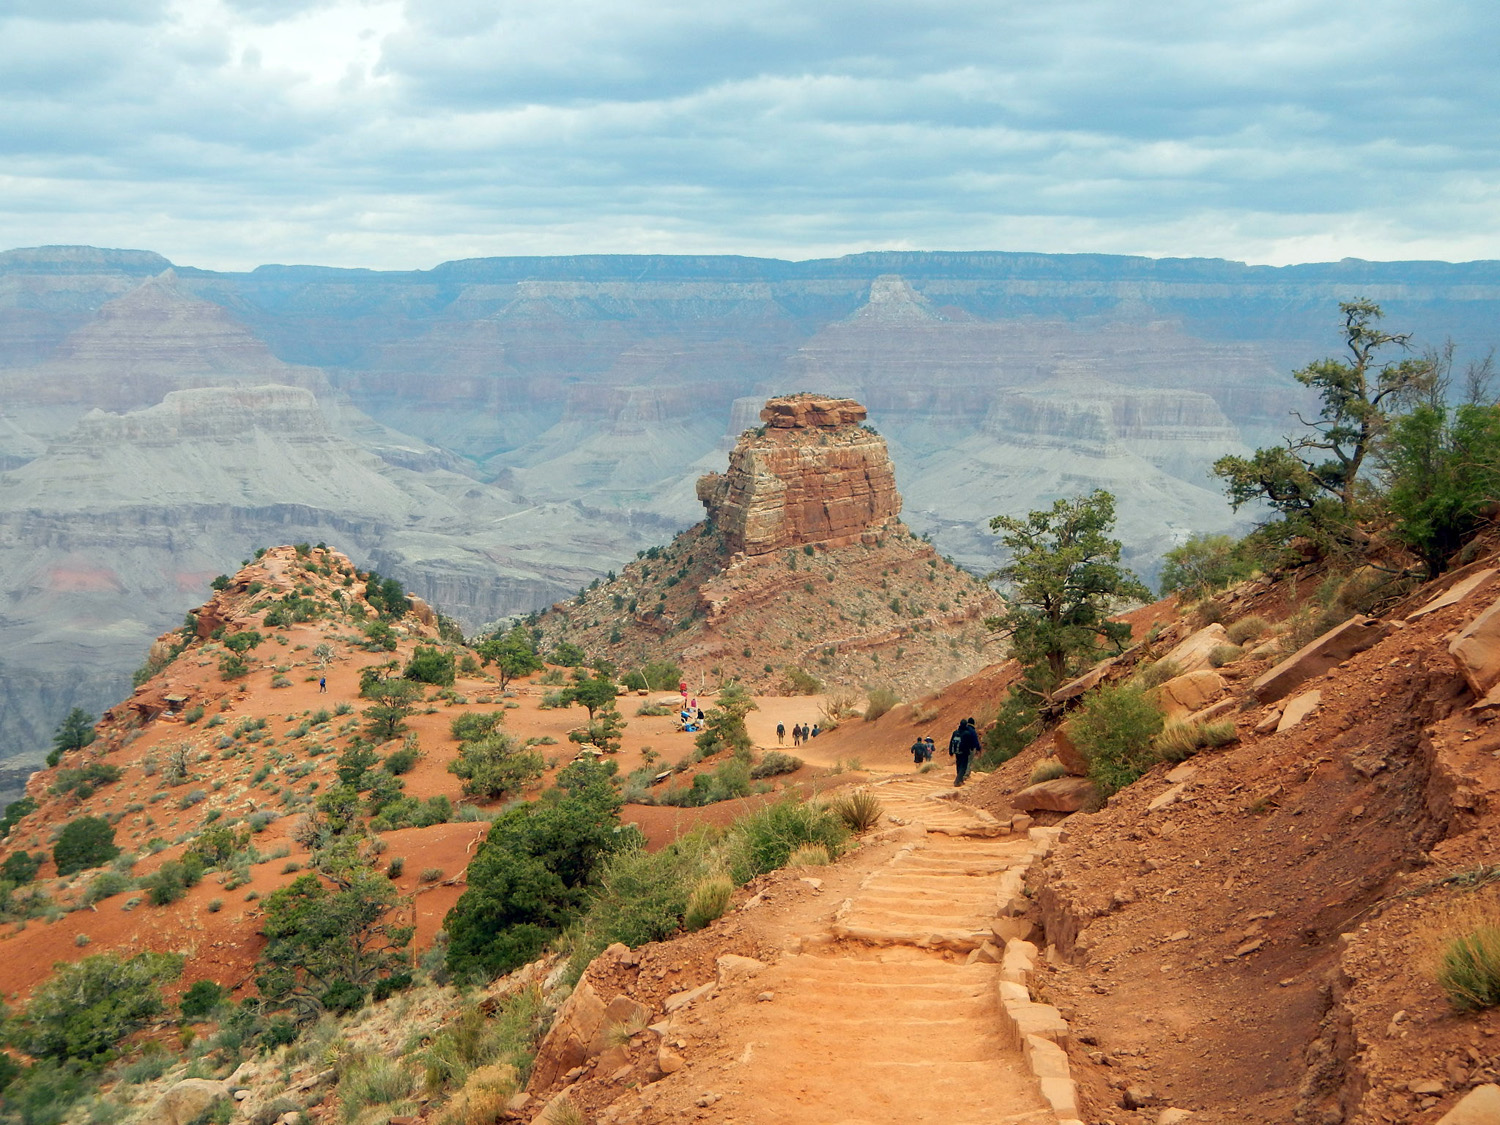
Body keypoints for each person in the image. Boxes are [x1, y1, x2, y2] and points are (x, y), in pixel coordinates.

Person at [955, 716, 981, 786]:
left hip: (960, 749)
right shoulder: (972, 730)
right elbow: (975, 740)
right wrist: (978, 748)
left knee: (960, 763)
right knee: (968, 761)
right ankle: (965, 775)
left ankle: (960, 776)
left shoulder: (963, 729)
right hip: (969, 749)